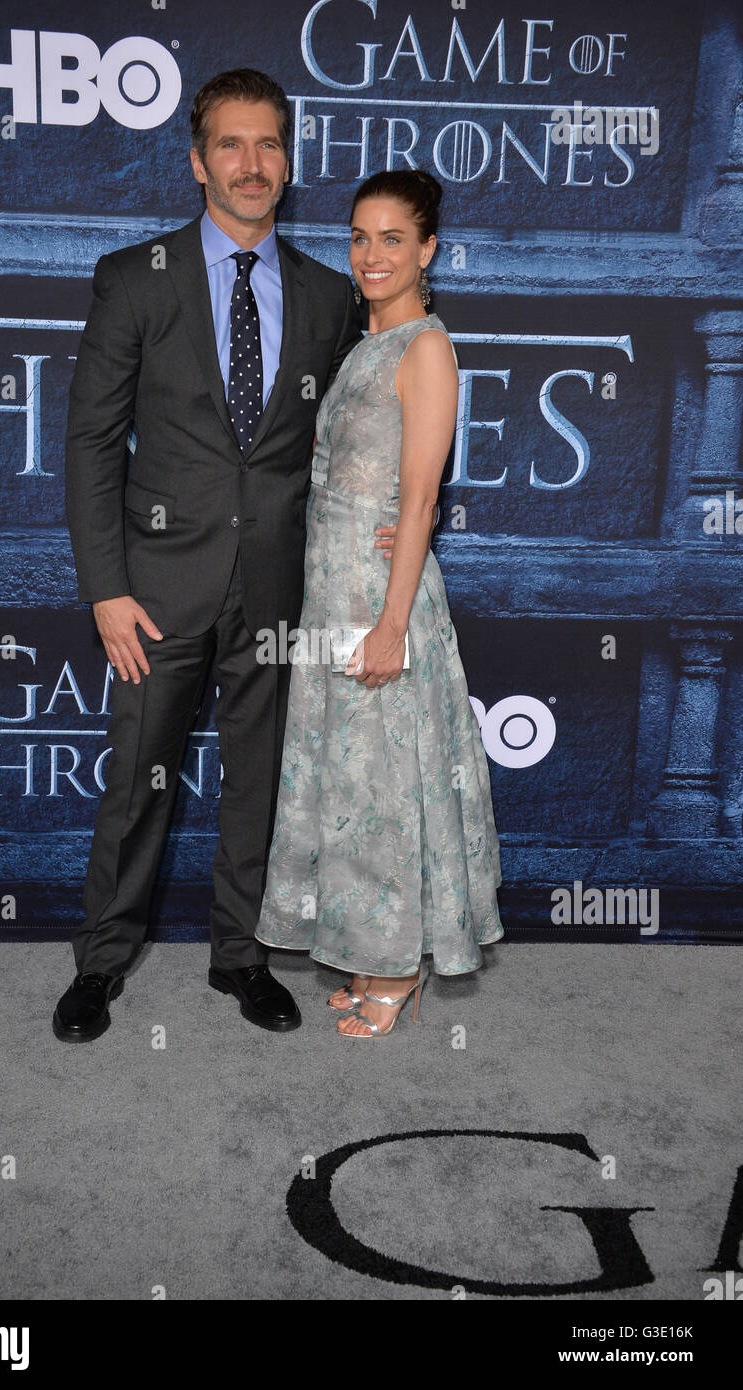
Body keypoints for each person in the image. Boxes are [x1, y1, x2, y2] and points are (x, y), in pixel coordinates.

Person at [53, 70, 398, 1042]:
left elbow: (347, 435)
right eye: (233, 145)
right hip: (157, 587)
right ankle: (101, 960)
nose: (254, 165)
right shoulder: (134, 278)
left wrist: (392, 516)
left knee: (264, 781)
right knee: (137, 779)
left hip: (283, 586)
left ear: (289, 162)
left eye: (271, 145)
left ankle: (240, 956)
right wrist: (106, 589)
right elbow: (89, 443)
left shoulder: (331, 295)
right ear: (196, 161)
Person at [255, 169, 504, 1037]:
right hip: (332, 596)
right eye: (359, 237)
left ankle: (396, 970)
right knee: (350, 787)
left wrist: (393, 623)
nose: (371, 255)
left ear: (428, 248)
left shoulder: (425, 348)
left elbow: (421, 501)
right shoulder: (365, 343)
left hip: (376, 602)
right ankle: (369, 953)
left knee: (386, 785)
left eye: (392, 238)